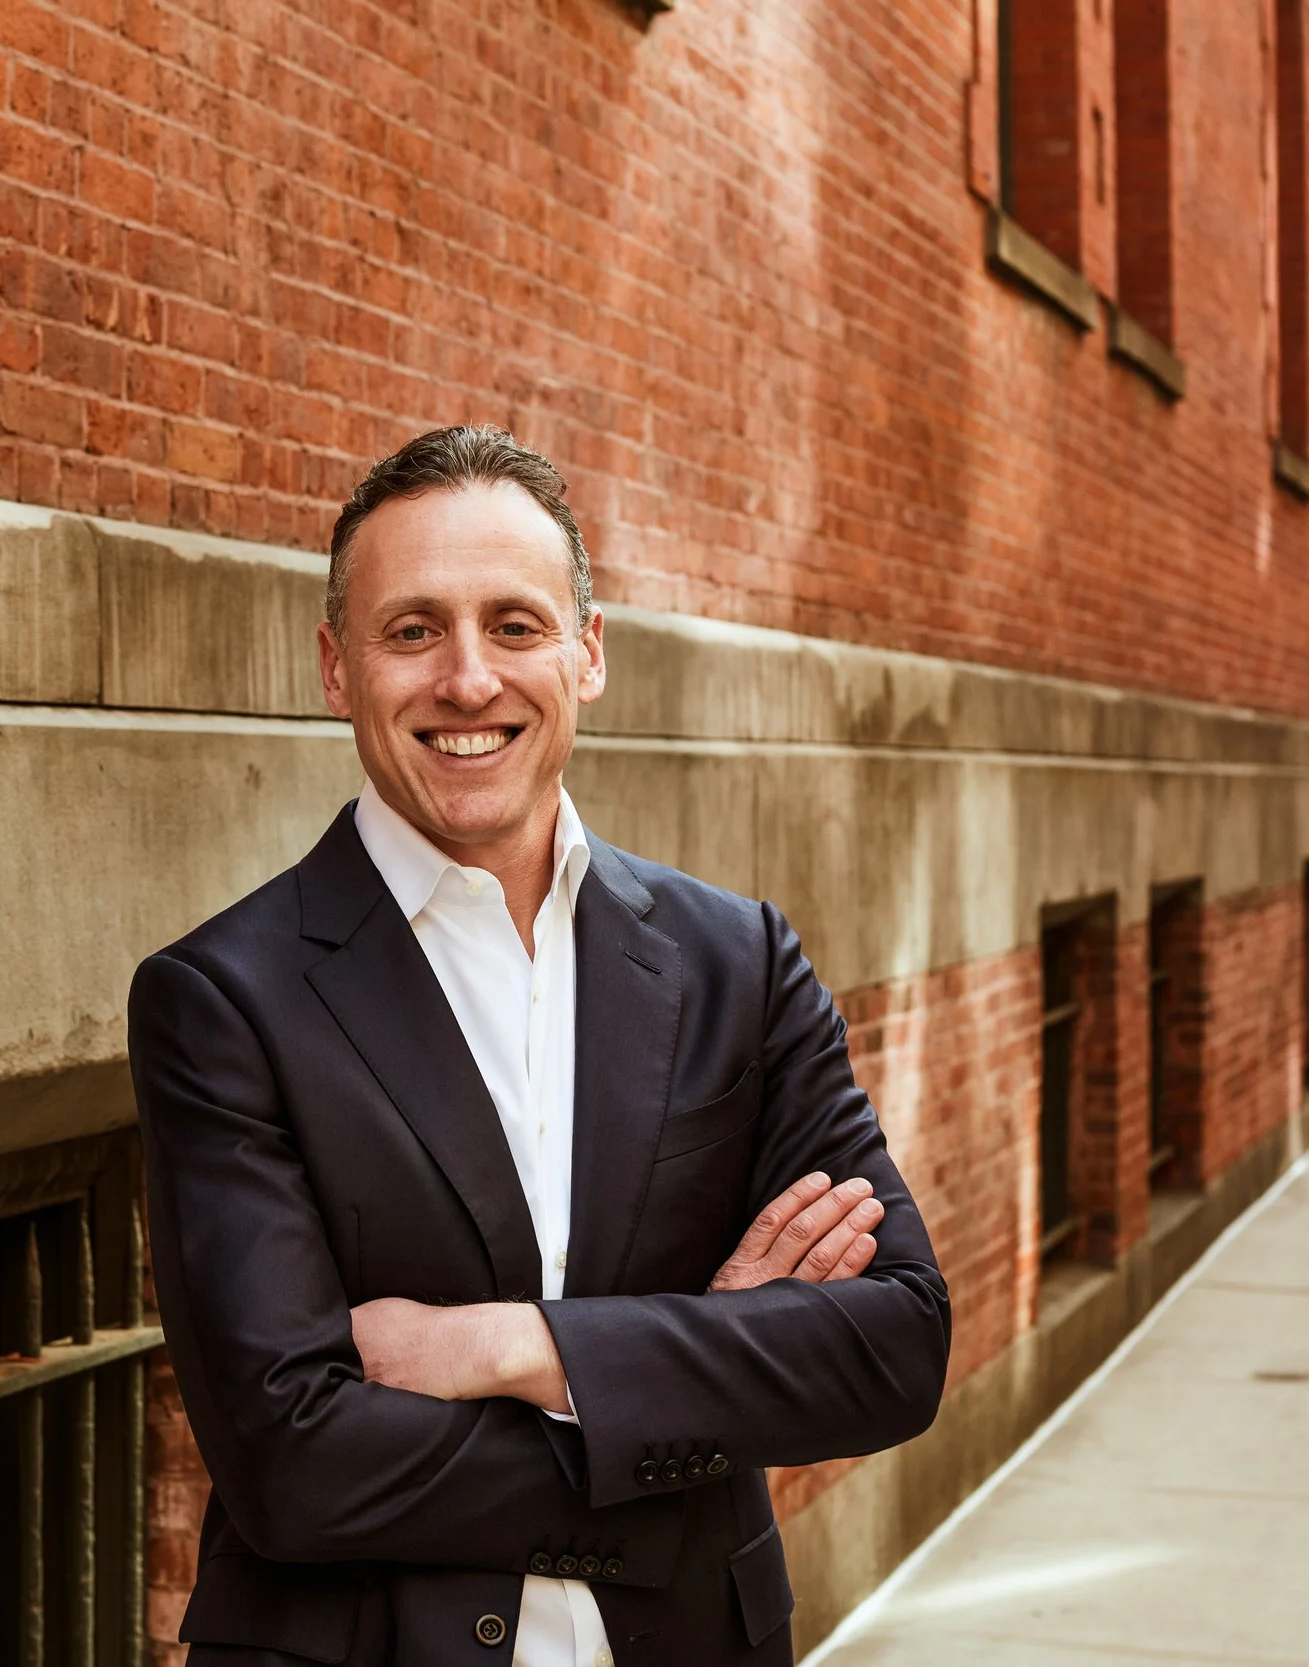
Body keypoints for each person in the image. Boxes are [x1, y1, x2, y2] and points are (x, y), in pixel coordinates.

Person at [127, 427, 950, 1665]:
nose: (468, 680)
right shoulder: (223, 999)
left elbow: (893, 1343)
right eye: (413, 630)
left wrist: (513, 1345)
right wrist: (688, 1379)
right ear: (336, 666)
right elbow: (294, 1464)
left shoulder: (738, 961)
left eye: (514, 625)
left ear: (588, 650)